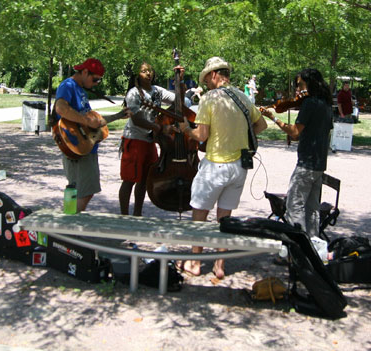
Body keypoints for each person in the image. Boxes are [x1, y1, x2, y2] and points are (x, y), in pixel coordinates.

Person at [178, 57, 267, 278]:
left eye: (207, 78)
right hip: (239, 167)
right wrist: (241, 137)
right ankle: (219, 265)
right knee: (224, 218)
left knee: (200, 213)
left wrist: (186, 129)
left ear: (214, 75)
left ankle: (195, 262)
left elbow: (201, 135)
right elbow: (262, 124)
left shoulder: (209, 99)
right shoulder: (243, 97)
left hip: (215, 165)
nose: (207, 83)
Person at [262, 68, 333, 240]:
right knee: (313, 209)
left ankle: (297, 249)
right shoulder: (326, 104)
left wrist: (273, 118)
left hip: (306, 164)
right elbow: (314, 132)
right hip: (319, 164)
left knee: (295, 206)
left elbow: (294, 132)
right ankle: (313, 247)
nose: (298, 89)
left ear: (311, 83)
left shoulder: (309, 104)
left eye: (300, 84)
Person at [54, 58, 130, 213]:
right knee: (85, 191)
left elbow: (93, 121)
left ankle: (69, 222)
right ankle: (69, 225)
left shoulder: (80, 89)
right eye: (95, 79)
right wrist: (85, 121)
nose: (96, 83)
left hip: (85, 146)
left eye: (99, 81)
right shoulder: (68, 85)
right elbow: (61, 108)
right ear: (85, 72)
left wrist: (118, 115)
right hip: (76, 144)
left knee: (78, 190)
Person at [118, 62, 178, 216]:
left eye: (150, 70)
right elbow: (137, 119)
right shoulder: (133, 93)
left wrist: (179, 81)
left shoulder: (157, 91)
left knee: (144, 180)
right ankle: (124, 217)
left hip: (150, 140)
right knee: (129, 180)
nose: (148, 73)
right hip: (135, 139)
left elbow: (178, 100)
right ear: (138, 74)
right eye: (144, 71)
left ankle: (137, 214)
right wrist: (160, 127)